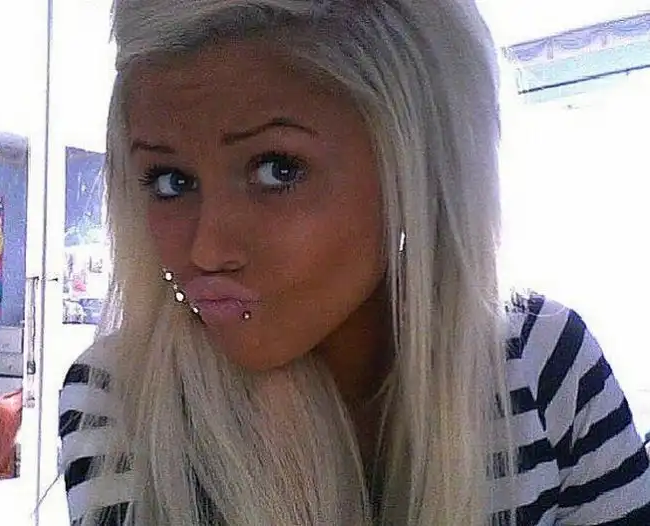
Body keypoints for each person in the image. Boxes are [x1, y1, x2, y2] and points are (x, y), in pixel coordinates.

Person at [58, 1, 650, 525]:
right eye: (170, 180)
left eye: (277, 171)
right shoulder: (122, 398)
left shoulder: (542, 365)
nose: (206, 251)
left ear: (415, 166)